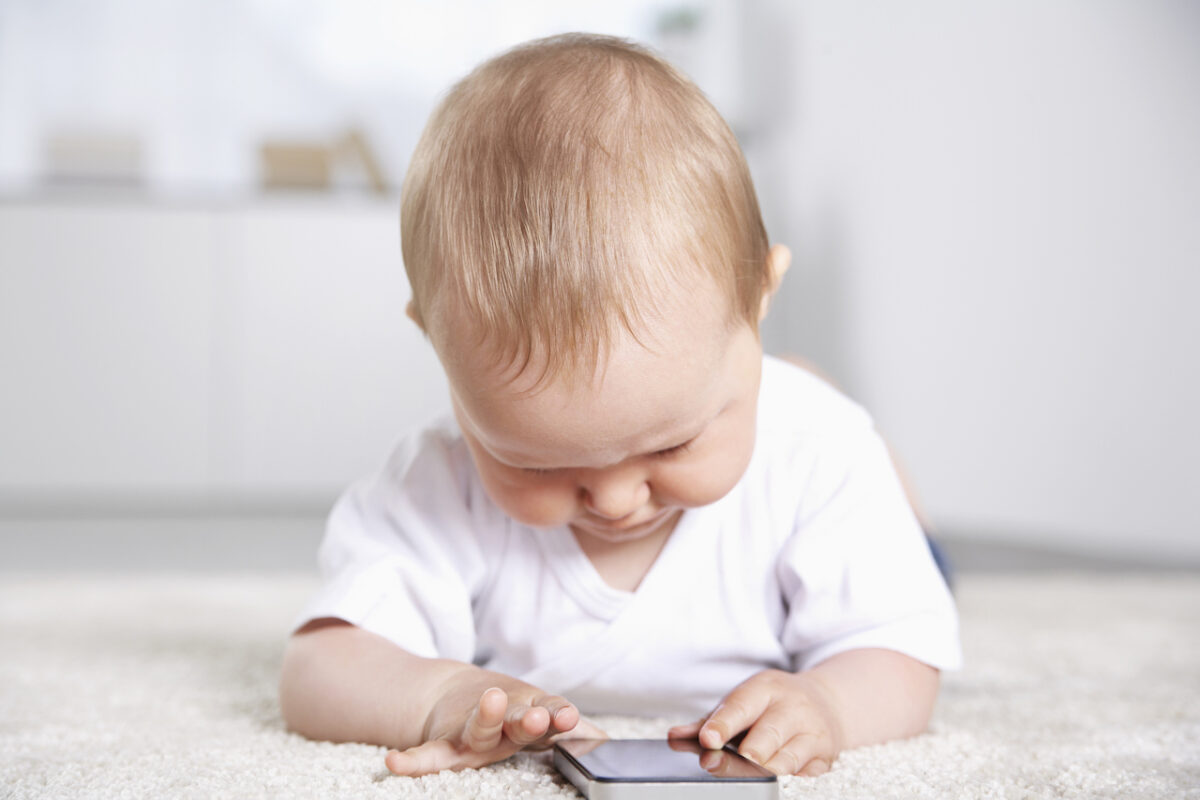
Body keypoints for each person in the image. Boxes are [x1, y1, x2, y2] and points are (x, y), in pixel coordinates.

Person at [278, 33, 960, 779]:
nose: (614, 499)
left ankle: (854, 440)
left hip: (847, 530)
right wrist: (442, 691)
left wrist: (827, 700)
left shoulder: (818, 454)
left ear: (760, 299)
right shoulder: (439, 481)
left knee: (920, 571)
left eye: (670, 446)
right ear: (437, 348)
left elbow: (900, 658)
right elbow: (317, 667)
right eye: (538, 459)